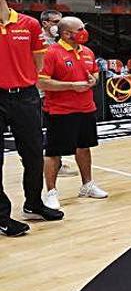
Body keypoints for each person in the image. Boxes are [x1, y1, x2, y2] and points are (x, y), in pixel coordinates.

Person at [0, 0, 63, 237]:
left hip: (25, 97)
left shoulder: (29, 24)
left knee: (34, 154)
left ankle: (33, 203)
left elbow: (38, 63)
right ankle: (2, 216)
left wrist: (20, 79)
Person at [38, 16, 108, 209]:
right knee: (53, 153)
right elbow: (42, 82)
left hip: (86, 109)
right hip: (60, 111)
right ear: (67, 33)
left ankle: (87, 185)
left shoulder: (87, 51)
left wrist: (93, 80)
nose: (84, 32)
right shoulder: (51, 53)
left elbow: (93, 72)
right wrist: (71, 86)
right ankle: (51, 192)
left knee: (84, 147)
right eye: (79, 29)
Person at [39, 10, 79, 178]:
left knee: (54, 129)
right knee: (47, 130)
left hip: (56, 90)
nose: (58, 25)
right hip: (40, 91)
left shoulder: (59, 42)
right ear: (45, 23)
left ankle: (57, 163)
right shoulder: (39, 41)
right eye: (55, 22)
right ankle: (49, 163)